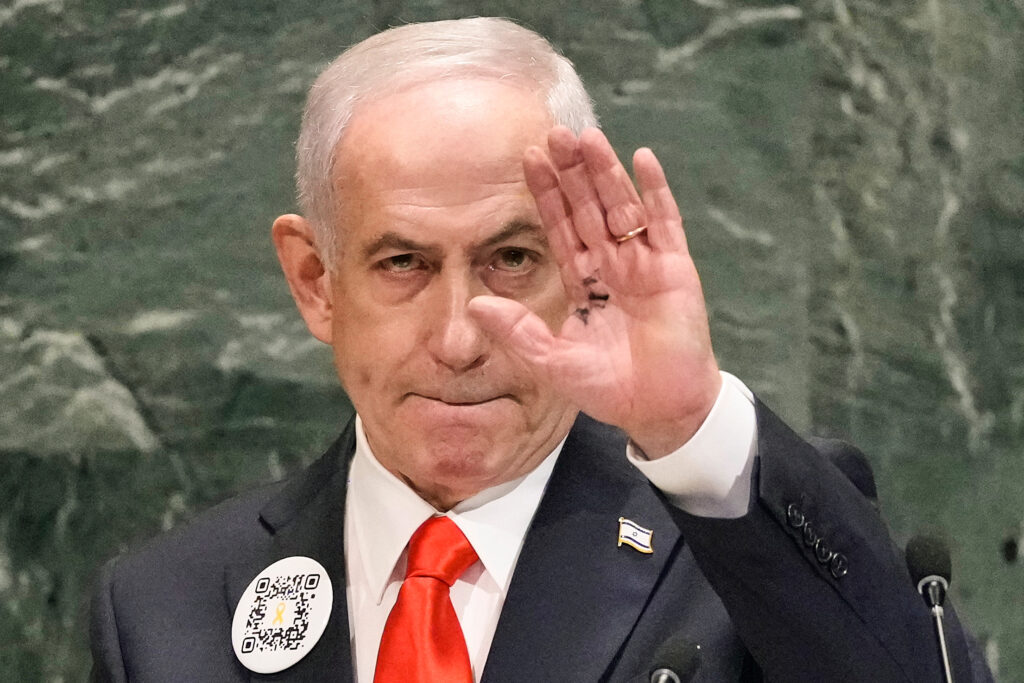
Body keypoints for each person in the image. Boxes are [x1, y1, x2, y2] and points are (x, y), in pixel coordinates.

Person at [90, 17, 988, 682]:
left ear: (581, 263)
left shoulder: (732, 548)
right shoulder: (164, 611)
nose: (457, 337)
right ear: (316, 281)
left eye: (512, 259)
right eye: (402, 262)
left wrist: (688, 422)